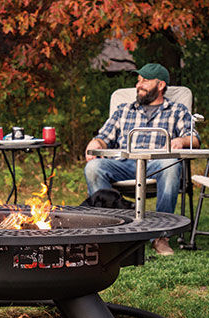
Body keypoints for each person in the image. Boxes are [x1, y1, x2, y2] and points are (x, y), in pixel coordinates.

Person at [84, 63, 200, 256]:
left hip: (157, 163)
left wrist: (181, 140)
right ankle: (112, 231)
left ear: (161, 85)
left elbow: (194, 138)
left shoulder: (177, 110)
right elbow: (104, 138)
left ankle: (160, 236)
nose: (139, 85)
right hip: (124, 163)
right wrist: (96, 144)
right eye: (138, 81)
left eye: (145, 81)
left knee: (170, 165)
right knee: (93, 167)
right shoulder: (124, 110)